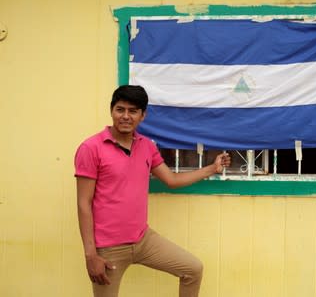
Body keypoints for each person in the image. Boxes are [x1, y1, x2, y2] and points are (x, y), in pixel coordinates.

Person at [74, 85, 231, 297]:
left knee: (192, 269)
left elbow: (172, 179)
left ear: (143, 115)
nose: (126, 116)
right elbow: (84, 203)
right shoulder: (91, 148)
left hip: (143, 240)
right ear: (111, 110)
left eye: (133, 111)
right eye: (120, 109)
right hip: (108, 249)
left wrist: (212, 168)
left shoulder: (147, 146)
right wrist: (90, 255)